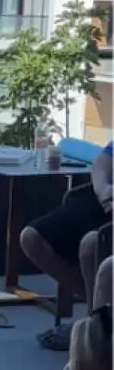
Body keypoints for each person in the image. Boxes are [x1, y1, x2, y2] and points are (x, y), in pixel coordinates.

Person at [20, 141, 112, 352]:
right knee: (32, 238)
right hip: (102, 200)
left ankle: (94, 332)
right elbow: (102, 162)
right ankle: (100, 315)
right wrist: (105, 190)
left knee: (91, 244)